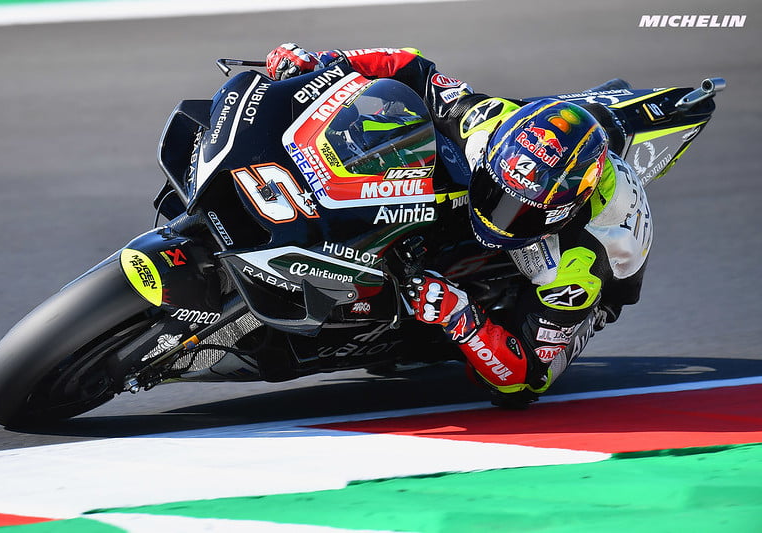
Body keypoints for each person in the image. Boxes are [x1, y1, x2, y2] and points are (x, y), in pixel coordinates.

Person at [266, 44, 653, 408]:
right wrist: (327, 62)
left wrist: (458, 313)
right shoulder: (484, 123)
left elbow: (525, 379)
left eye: (518, 210)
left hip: (593, 280)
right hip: (541, 163)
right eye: (495, 193)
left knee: (515, 382)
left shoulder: (579, 269)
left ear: (558, 213)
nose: (497, 213)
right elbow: (412, 68)